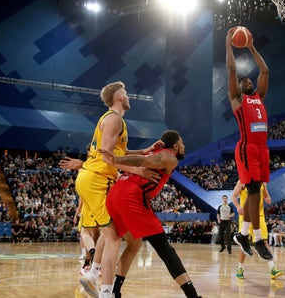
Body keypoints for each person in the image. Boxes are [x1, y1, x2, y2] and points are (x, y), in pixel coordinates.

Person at [75, 81, 163, 298]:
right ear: (119, 98)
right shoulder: (114, 119)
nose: (129, 96)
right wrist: (138, 170)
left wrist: (144, 152)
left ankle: (94, 275)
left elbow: (118, 151)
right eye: (126, 93)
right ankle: (104, 291)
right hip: (97, 178)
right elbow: (108, 157)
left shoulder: (114, 120)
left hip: (94, 177)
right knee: (113, 237)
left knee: (112, 233)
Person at [98, 130, 201, 298]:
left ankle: (114, 290)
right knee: (165, 250)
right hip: (131, 197)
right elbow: (143, 160)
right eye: (181, 143)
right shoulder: (169, 157)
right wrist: (116, 159)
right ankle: (193, 296)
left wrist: (117, 159)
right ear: (175, 145)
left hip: (115, 195)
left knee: (134, 245)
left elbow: (140, 158)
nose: (184, 146)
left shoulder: (153, 151)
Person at [226, 27, 273, 261]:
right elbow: (232, 69)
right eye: (243, 80)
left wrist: (252, 46)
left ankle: (243, 235)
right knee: (253, 192)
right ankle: (257, 239)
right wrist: (228, 44)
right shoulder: (237, 100)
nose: (247, 81)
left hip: (263, 149)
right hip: (247, 148)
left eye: (248, 80)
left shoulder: (259, 97)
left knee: (255, 193)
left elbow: (265, 70)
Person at [231, 180, 283, 280]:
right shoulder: (242, 181)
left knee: (264, 242)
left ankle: (273, 268)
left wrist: (265, 188)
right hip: (245, 216)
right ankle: (240, 268)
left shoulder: (262, 183)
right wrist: (238, 207)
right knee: (244, 242)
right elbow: (233, 196)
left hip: (260, 216)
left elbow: (268, 200)